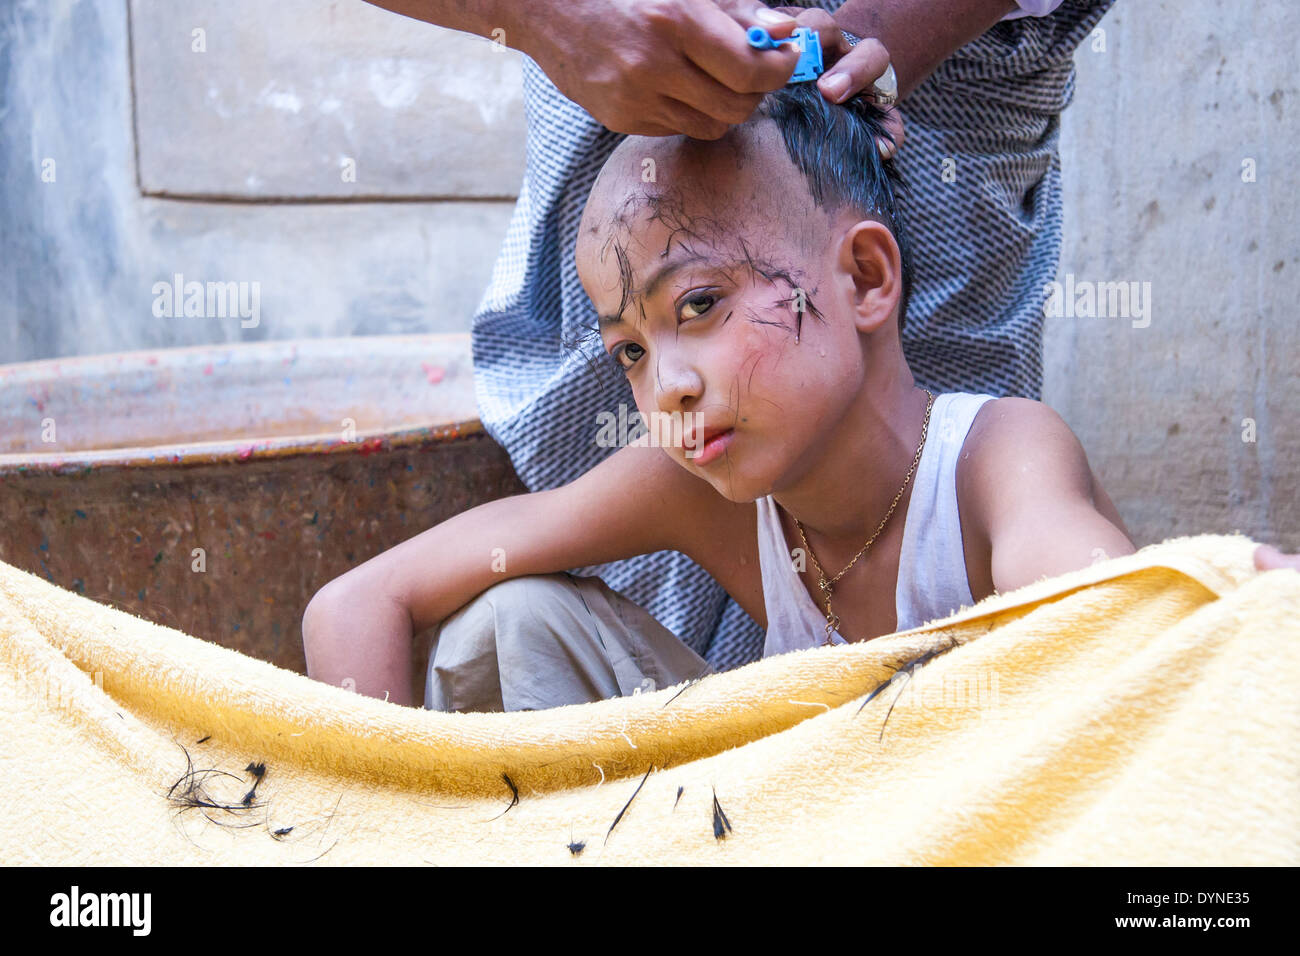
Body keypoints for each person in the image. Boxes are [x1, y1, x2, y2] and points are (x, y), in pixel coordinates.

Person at [303, 82, 1137, 709]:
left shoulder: (996, 460)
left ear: (864, 277)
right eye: (629, 349)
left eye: (699, 306)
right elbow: (355, 602)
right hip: (803, 824)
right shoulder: (699, 489)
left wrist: (1232, 599)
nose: (668, 386)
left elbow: (1109, 607)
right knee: (511, 624)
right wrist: (379, 831)